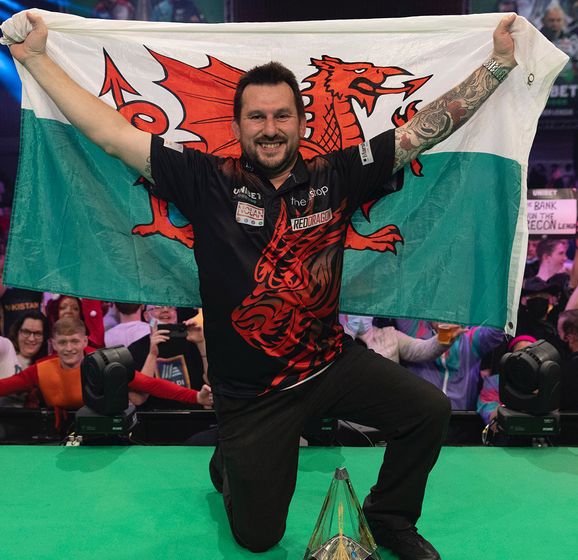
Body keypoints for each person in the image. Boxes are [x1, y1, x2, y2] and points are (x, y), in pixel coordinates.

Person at [8, 12, 517, 560]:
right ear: (237, 126)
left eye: (281, 116)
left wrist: (497, 66)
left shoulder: (339, 174)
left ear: (301, 122)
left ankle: (389, 516)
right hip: (252, 395)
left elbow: (425, 129)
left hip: (328, 365)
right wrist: (35, 58)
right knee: (259, 538)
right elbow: (112, 135)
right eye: (256, 116)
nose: (269, 128)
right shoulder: (204, 179)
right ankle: (229, 458)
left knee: (428, 411)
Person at [0, 317, 213, 426]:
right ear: (53, 344)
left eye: (74, 341)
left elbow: (152, 385)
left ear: (85, 341)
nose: (69, 348)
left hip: (103, 434)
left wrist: (196, 397)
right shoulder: (41, 370)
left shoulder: (105, 363)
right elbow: (6, 386)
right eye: (62, 342)